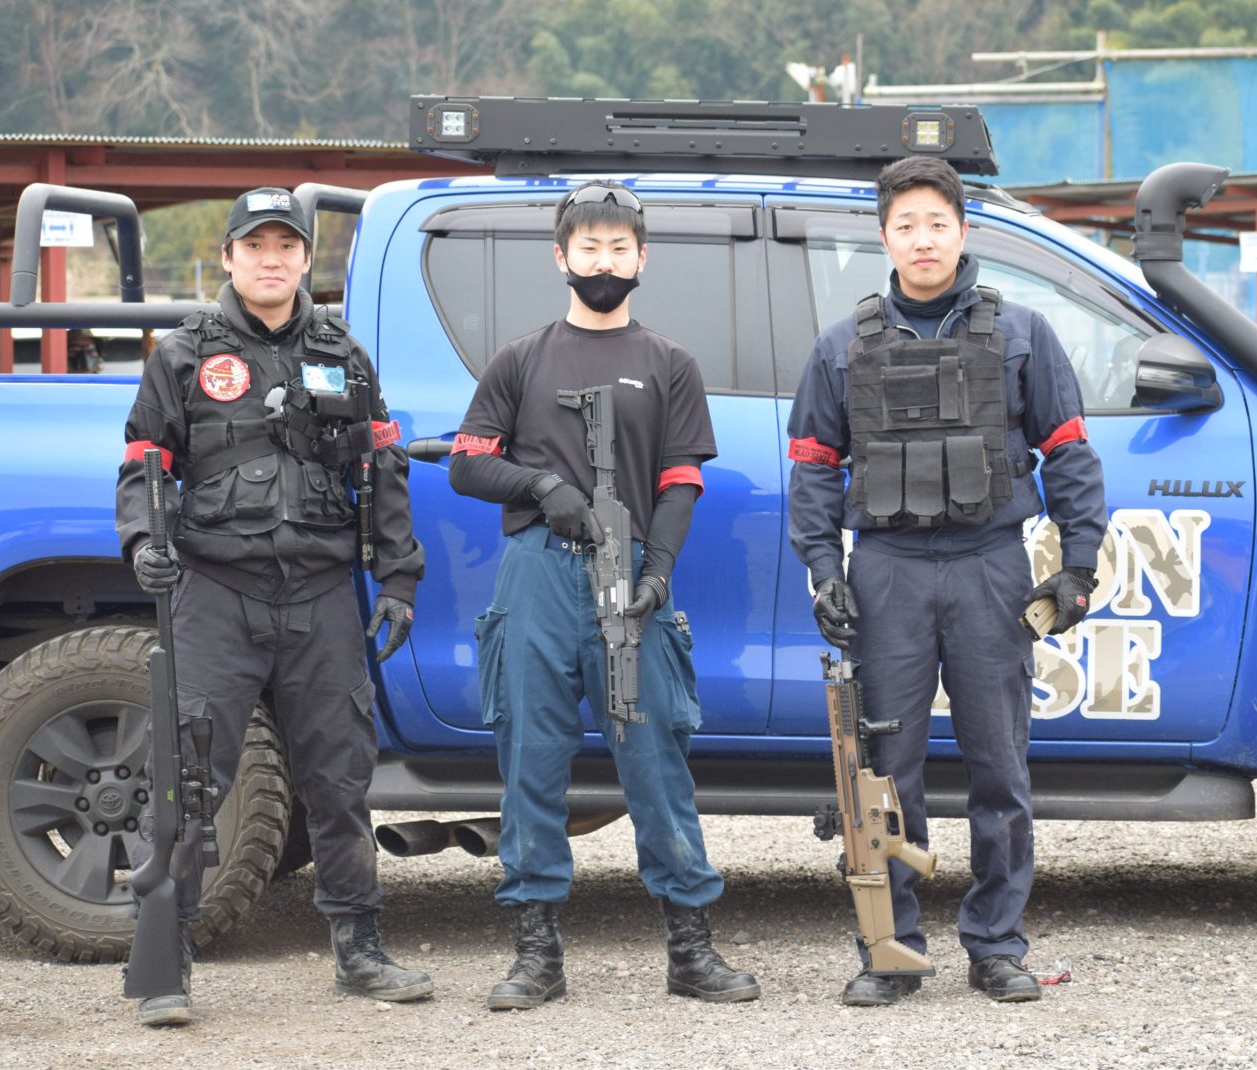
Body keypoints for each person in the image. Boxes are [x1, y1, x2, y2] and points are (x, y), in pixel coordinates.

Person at [785, 157, 1107, 1006]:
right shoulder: (840, 347)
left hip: (990, 569)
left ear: (963, 232)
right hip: (886, 573)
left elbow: (1069, 454)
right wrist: (824, 570)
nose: (923, 240)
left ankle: (997, 946)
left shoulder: (1025, 335)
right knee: (884, 775)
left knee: (1000, 768)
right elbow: (813, 469)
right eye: (906, 225)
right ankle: (889, 950)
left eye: (937, 223)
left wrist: (1079, 564)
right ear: (884, 237)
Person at [116, 187, 431, 1026]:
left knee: (340, 778)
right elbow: (144, 464)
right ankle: (166, 961)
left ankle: (359, 949)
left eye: (286, 245)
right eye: (254, 245)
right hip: (215, 594)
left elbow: (383, 468)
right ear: (228, 257)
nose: (271, 259)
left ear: (303, 259)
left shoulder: (342, 353)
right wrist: (143, 542)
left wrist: (399, 577)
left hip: (321, 595)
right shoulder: (183, 354)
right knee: (187, 781)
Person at [448, 180, 760, 1011]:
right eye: (589, 247)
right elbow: (468, 462)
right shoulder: (521, 359)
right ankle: (535, 956)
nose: (604, 262)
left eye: (619, 248)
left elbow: (680, 481)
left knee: (656, 761)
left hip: (633, 578)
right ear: (561, 257)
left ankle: (691, 950)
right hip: (539, 574)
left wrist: (659, 572)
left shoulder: (669, 363)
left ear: (642, 258)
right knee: (530, 760)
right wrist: (542, 486)